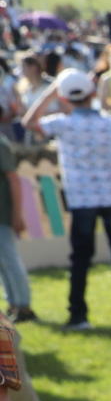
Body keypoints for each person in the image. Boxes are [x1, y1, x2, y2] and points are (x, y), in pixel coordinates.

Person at [26, 70, 111, 330]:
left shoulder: (62, 124)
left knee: (80, 259)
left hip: (82, 201)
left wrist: (50, 91)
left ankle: (78, 315)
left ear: (65, 98)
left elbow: (29, 122)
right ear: (91, 93)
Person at [0, 131, 33, 321]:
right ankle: (13, 303)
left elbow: (13, 178)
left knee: (10, 260)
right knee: (2, 264)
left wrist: (16, 214)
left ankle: (24, 306)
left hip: (3, 214)